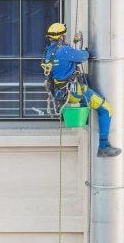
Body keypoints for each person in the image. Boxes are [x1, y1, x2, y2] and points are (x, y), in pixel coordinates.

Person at [42, 22, 120, 157]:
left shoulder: (48, 52)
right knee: (106, 109)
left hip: (61, 92)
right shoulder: (65, 51)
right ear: (61, 37)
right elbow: (84, 56)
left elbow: (70, 62)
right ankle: (103, 146)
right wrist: (80, 47)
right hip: (74, 92)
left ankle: (89, 114)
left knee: (85, 77)